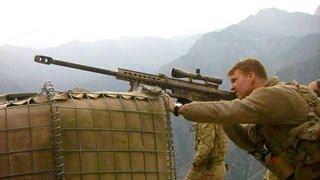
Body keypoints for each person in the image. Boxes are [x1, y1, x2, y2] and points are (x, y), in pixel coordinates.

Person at [166, 58, 320, 179]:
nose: (232, 87)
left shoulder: (271, 95)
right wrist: (220, 110)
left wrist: (179, 108)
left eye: (234, 80)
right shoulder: (268, 104)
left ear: (251, 76)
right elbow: (247, 141)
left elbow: (230, 110)